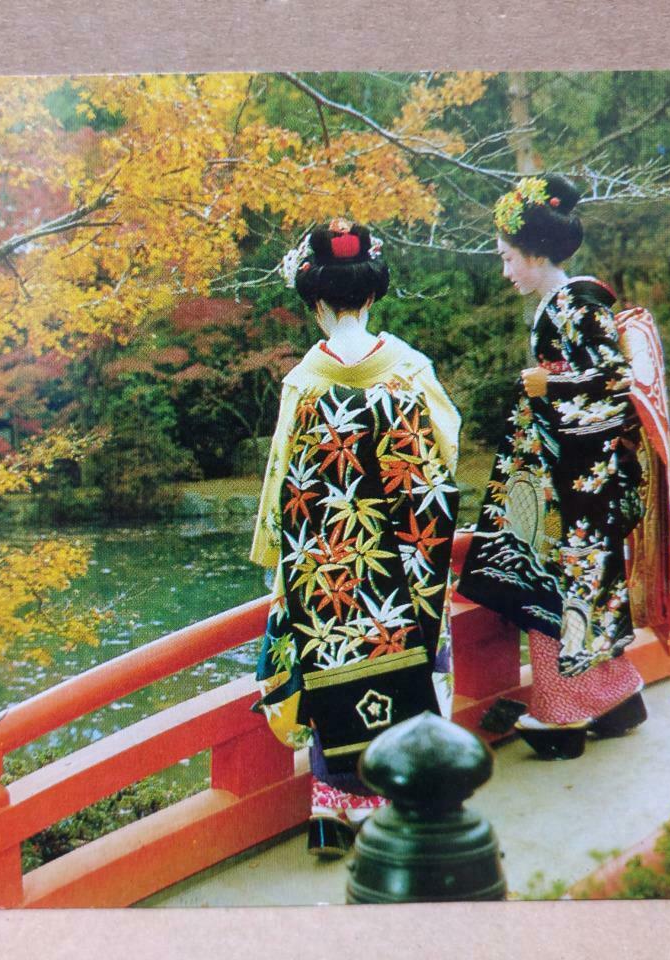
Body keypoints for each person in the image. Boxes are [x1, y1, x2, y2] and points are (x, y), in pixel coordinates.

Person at [250, 218, 462, 855]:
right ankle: (398, 799)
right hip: (402, 557)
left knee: (327, 663)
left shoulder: (303, 382)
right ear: (372, 295)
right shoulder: (409, 370)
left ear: (315, 301)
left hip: (327, 562)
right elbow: (445, 452)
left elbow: (279, 480)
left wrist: (275, 560)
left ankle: (331, 809)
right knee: (409, 659)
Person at [458, 175, 658, 760]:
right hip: (568, 477)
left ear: (536, 253)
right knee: (581, 589)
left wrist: (551, 385)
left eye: (507, 259)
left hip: (575, 484)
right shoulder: (561, 305)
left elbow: (617, 386)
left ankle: (562, 711)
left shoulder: (577, 304)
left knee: (552, 591)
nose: (505, 272)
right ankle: (615, 694)